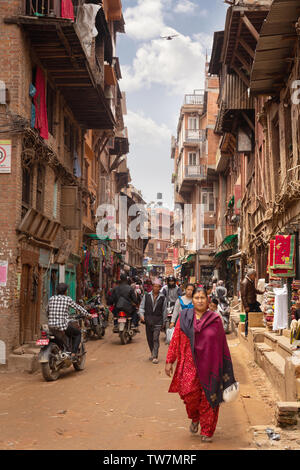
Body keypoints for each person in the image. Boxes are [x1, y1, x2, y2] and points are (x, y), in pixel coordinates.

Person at [165, 287, 236, 442]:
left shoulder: (215, 320)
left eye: (202, 297)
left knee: (209, 398)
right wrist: (170, 360)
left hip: (210, 367)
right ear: (193, 300)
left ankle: (207, 430)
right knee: (189, 395)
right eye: (196, 298)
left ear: (207, 299)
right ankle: (195, 417)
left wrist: (224, 366)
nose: (199, 300)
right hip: (189, 365)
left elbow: (222, 345)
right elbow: (175, 339)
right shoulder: (184, 318)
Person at [47, 283, 90, 358]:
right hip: (62, 326)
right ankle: (73, 353)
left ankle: (62, 350)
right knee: (78, 334)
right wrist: (88, 315)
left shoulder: (51, 298)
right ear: (66, 291)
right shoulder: (67, 299)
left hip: (51, 326)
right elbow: (78, 308)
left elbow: (47, 310)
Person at [139, 278, 167, 364]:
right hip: (148, 321)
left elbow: (164, 310)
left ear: (160, 287)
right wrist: (141, 315)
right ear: (152, 287)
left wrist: (164, 321)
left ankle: (155, 356)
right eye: (154, 286)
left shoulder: (163, 298)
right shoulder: (146, 296)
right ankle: (152, 352)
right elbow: (141, 307)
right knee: (149, 339)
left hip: (158, 321)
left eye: (158, 287)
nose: (156, 288)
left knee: (155, 338)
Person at [241, 268, 264, 337]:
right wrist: (246, 306)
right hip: (249, 304)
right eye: (255, 275)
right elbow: (243, 296)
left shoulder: (250, 281)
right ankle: (246, 333)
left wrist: (261, 292)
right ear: (251, 275)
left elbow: (254, 290)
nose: (255, 277)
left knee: (259, 314)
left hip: (253, 302)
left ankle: (254, 331)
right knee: (248, 318)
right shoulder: (245, 282)